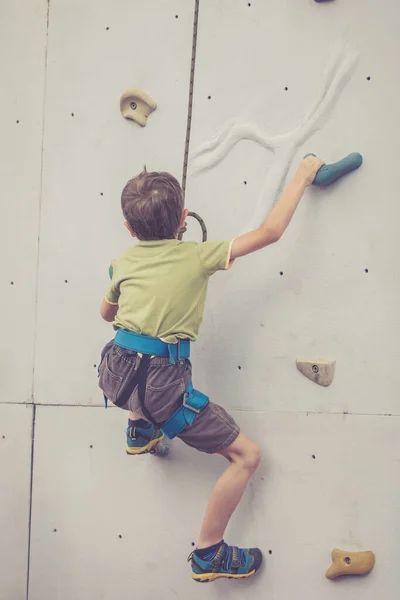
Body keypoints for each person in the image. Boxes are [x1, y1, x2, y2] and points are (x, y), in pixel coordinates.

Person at [98, 155, 324, 582]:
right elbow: (270, 233)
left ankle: (138, 429)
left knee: (132, 350)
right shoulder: (200, 256)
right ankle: (209, 552)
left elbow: (107, 315)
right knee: (246, 456)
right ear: (183, 218)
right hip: (159, 389)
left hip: (113, 376)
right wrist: (303, 174)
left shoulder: (122, 261)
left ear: (130, 228)